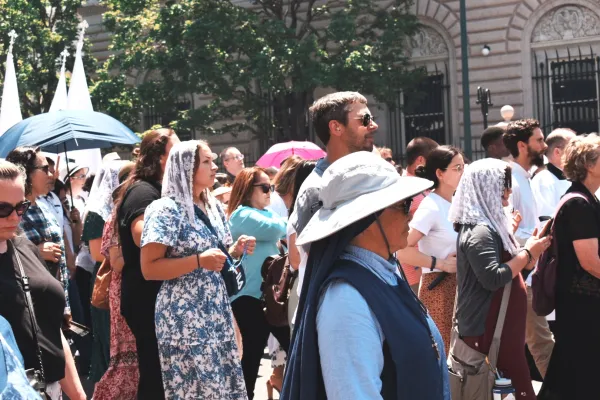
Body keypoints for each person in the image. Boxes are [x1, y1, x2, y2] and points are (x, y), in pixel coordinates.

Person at [282, 151, 449, 400]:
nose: (411, 214)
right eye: (403, 205)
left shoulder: (383, 271)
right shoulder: (346, 298)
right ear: (368, 219)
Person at [140, 140, 253, 400]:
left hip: (216, 310)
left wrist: (234, 250)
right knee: (197, 391)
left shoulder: (212, 205)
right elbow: (149, 268)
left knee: (223, 388)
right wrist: (198, 261)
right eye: (206, 161)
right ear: (186, 167)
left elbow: (215, 255)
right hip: (184, 318)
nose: (214, 167)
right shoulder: (165, 209)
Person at [449, 158, 551, 400]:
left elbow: (507, 275)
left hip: (500, 329)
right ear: (485, 186)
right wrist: (528, 252)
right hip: (487, 330)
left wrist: (527, 262)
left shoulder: (489, 226)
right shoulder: (479, 231)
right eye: (503, 184)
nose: (508, 190)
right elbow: (493, 278)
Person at [0, 160, 87, 400]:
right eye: (2, 209)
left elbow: (50, 328)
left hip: (48, 389)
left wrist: (78, 395)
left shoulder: (25, 247)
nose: (14, 217)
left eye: (20, 207)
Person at [288, 91, 378, 313]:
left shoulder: (368, 178)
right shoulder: (317, 190)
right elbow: (324, 265)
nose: (373, 125)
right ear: (336, 128)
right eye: (365, 119)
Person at [114, 128, 180, 399]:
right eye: (174, 153)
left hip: (151, 295)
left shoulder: (156, 189)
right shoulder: (143, 192)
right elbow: (141, 234)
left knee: (161, 374)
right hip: (146, 298)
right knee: (155, 376)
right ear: (160, 158)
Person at [538, 134, 600, 400]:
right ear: (589, 164)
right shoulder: (578, 203)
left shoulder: (584, 199)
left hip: (582, 304)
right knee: (578, 376)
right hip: (581, 306)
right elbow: (590, 262)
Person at [227, 167, 288, 399]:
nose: (269, 192)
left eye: (270, 187)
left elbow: (279, 225)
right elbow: (276, 229)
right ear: (247, 189)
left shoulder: (265, 212)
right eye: (264, 187)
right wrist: (286, 223)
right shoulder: (241, 215)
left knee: (292, 346)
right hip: (248, 297)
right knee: (252, 354)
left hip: (269, 297)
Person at [397, 145, 464, 351]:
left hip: (461, 287)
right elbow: (401, 249)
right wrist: (440, 264)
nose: (463, 172)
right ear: (440, 173)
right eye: (457, 168)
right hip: (439, 288)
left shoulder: (456, 203)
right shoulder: (430, 206)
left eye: (463, 166)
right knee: (443, 355)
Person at [503, 119, 554, 379]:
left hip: (529, 271)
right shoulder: (510, 178)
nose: (544, 146)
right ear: (523, 145)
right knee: (542, 341)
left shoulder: (526, 177)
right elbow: (506, 228)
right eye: (539, 140)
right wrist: (539, 238)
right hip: (520, 273)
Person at [6, 148, 71, 316]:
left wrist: (65, 306)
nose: (52, 175)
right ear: (26, 171)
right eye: (45, 169)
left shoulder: (44, 206)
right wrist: (34, 253)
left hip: (56, 300)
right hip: (31, 307)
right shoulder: (9, 212)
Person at [94, 162, 139, 400]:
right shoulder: (116, 217)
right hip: (123, 290)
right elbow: (116, 261)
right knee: (126, 356)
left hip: (135, 288)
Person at [82, 160, 126, 383]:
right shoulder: (97, 213)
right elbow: (97, 253)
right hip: (106, 280)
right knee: (108, 338)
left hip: (123, 279)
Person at [400, 137, 439, 293]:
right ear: (421, 160)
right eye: (434, 160)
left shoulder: (424, 186)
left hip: (428, 272)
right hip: (414, 276)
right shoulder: (404, 189)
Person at [531, 128, 577, 219]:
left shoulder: (578, 177)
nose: (579, 152)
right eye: (574, 148)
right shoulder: (543, 180)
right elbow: (546, 219)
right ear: (557, 152)